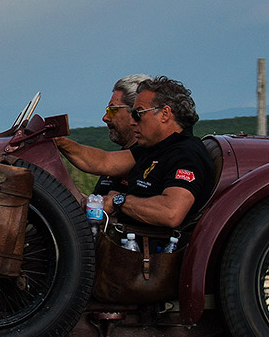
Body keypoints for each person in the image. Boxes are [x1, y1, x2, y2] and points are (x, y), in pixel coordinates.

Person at [57, 76, 215, 234]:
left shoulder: (186, 154)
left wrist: (119, 201)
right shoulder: (153, 148)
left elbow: (171, 212)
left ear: (165, 114)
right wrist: (59, 141)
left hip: (148, 251)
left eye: (138, 114)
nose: (133, 122)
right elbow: (103, 161)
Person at [92, 73, 152, 203]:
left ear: (136, 112)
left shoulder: (146, 157)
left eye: (112, 110)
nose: (105, 117)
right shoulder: (123, 153)